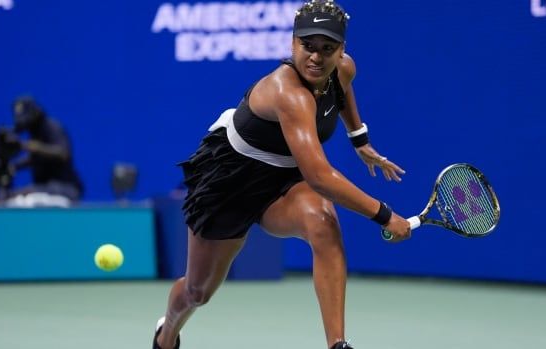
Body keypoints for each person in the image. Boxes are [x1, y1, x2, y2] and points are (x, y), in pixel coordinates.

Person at [152, 1, 411, 348]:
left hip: (283, 181)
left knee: (323, 221)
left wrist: (359, 139)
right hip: (228, 183)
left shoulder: (343, 69)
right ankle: (166, 334)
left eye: (327, 48)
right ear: (292, 44)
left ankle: (337, 344)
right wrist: (384, 215)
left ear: (341, 51)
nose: (316, 57)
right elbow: (319, 176)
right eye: (308, 46)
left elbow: (343, 92)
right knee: (198, 292)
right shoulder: (287, 93)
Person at [9, 96, 84, 201]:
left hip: (65, 188)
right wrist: (12, 167)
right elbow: (33, 159)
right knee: (11, 196)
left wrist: (37, 148)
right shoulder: (34, 133)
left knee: (27, 193)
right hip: (43, 187)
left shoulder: (52, 127)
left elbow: (63, 153)